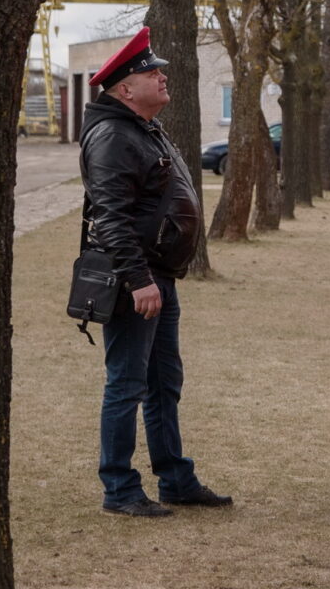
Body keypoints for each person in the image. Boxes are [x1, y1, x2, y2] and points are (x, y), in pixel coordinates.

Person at [80, 27, 231, 517]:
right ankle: (119, 489)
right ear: (126, 88)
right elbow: (110, 218)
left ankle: (176, 479)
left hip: (158, 276)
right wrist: (139, 280)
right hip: (136, 281)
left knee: (164, 382)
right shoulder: (113, 136)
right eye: (152, 73)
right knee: (127, 384)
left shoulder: (143, 128)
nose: (163, 77)